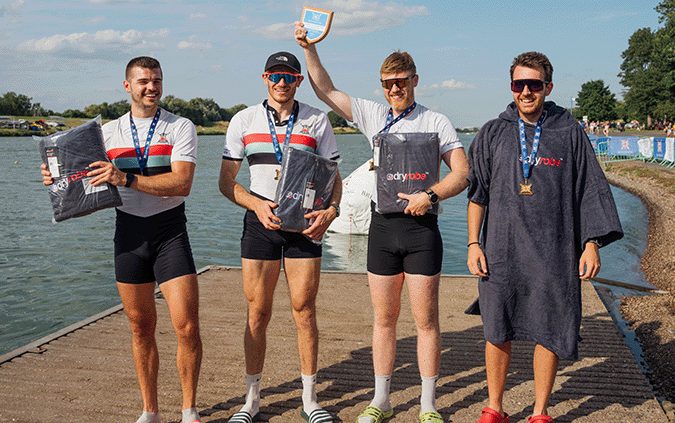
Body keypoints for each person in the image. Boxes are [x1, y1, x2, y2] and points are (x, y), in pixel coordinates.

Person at [295, 24, 470, 423]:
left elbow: (462, 173)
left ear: (415, 80)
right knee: (384, 320)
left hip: (422, 230)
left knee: (426, 321)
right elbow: (325, 90)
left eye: (401, 82)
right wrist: (309, 49)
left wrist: (432, 195)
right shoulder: (373, 115)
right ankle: (382, 400)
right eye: (387, 83)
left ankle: (428, 405)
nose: (394, 89)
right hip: (382, 230)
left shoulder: (437, 121)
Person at [40, 56, 202, 423]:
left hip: (169, 231)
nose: (152, 87)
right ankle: (150, 411)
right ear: (127, 86)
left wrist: (125, 179)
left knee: (187, 326)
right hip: (128, 232)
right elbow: (77, 181)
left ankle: (189, 411)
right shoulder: (106, 134)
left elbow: (182, 184)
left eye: (157, 80)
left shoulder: (180, 127)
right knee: (140, 327)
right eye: (143, 81)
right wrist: (55, 178)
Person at [465, 51, 623, 423]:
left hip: (554, 251)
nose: (525, 92)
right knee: (497, 326)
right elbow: (477, 194)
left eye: (533, 85)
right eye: (518, 85)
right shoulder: (493, 131)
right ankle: (495, 407)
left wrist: (591, 244)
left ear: (548, 87)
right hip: (501, 250)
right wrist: (473, 243)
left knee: (549, 328)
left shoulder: (569, 132)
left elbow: (590, 190)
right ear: (511, 88)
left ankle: (539, 412)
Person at [218, 51, 341, 423]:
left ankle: (309, 400)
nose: (282, 82)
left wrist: (331, 212)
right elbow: (226, 183)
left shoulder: (316, 119)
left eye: (289, 76)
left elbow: (334, 176)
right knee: (258, 311)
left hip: (304, 224)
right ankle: (251, 401)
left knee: (304, 310)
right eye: (276, 76)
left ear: (299, 81)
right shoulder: (244, 120)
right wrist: (255, 206)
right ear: (265, 78)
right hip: (261, 223)